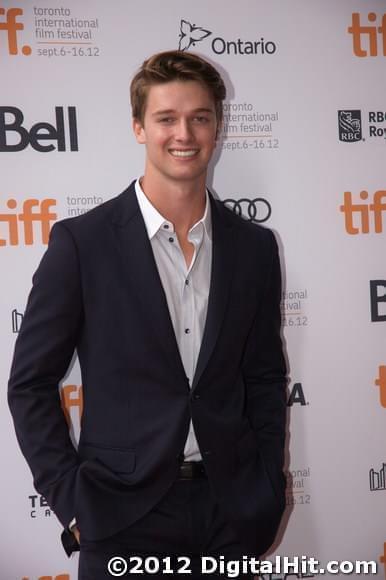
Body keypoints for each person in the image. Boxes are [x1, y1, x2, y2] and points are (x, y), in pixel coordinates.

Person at [8, 50, 287, 579]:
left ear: (217, 127)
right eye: (166, 118)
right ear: (139, 127)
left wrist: (265, 485)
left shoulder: (253, 248)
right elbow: (29, 384)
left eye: (200, 117)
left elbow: (265, 377)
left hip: (229, 513)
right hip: (121, 517)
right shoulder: (81, 244)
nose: (184, 133)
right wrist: (71, 499)